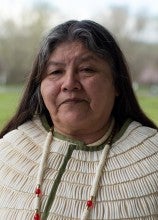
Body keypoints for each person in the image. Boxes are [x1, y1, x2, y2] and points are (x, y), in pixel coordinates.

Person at [0, 20, 157, 220]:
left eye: (87, 70)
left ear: (117, 84)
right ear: (39, 86)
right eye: (56, 72)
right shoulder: (6, 152)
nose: (69, 84)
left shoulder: (153, 158)